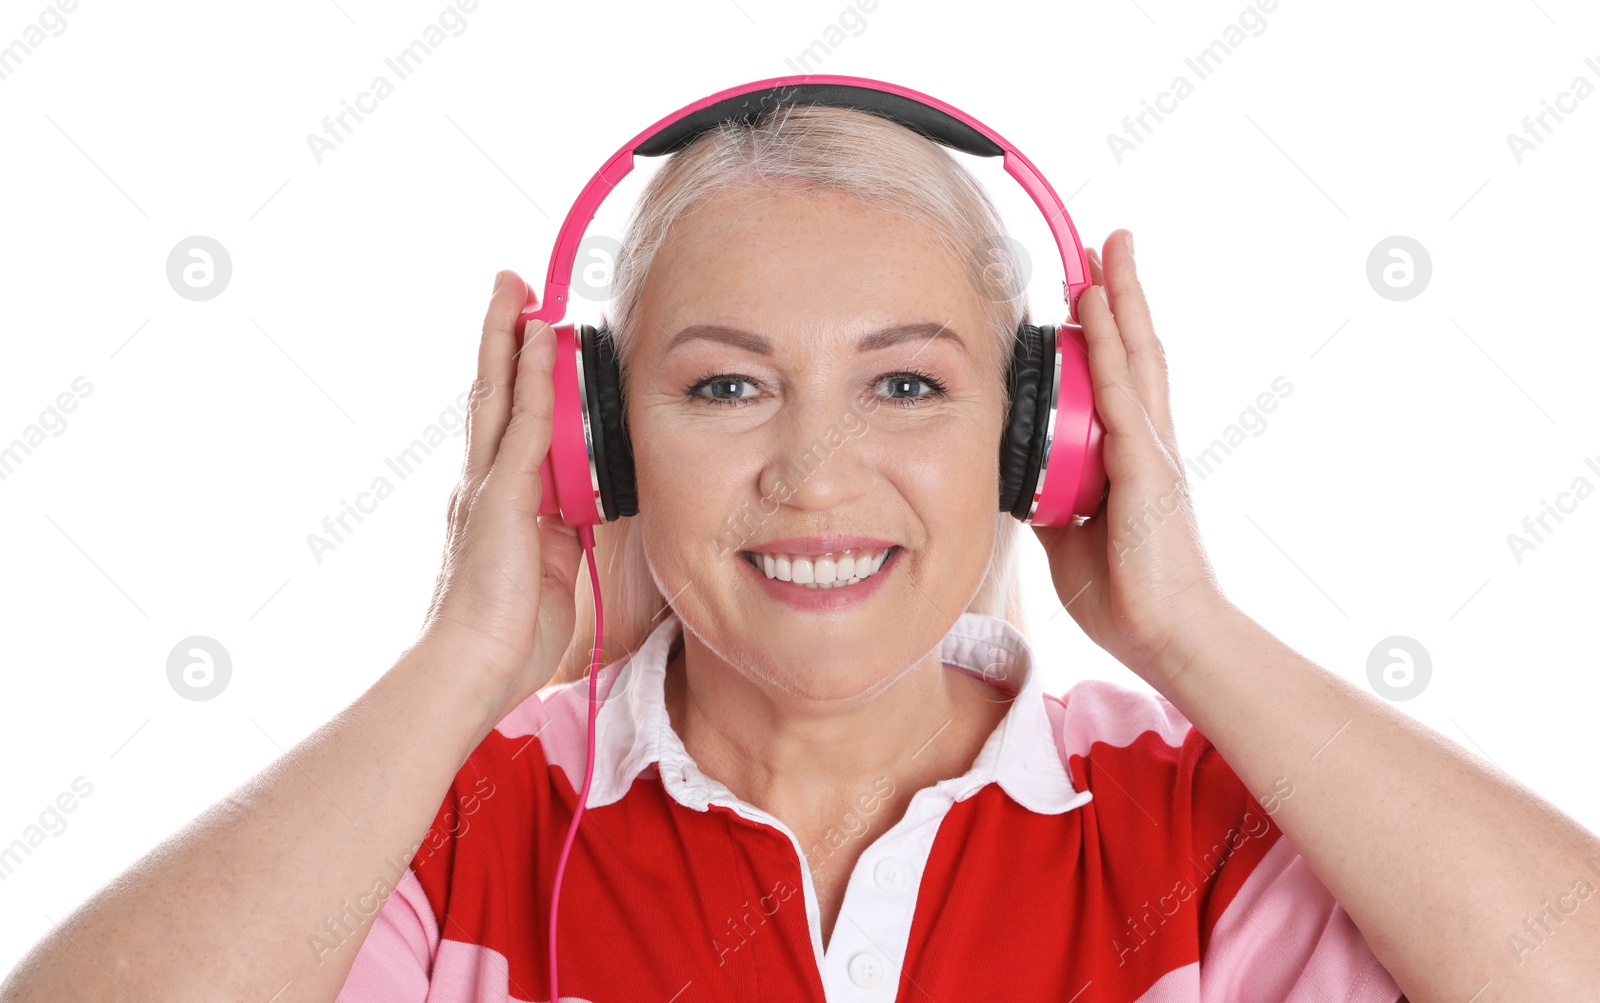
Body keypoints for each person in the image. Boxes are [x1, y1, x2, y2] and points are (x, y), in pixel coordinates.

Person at [5, 104, 1598, 1003]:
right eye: (725, 386)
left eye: (908, 382)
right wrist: (460, 664)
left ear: (1040, 437)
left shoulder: (1199, 832)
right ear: (597, 444)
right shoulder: (458, 823)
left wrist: (1190, 630)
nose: (816, 471)